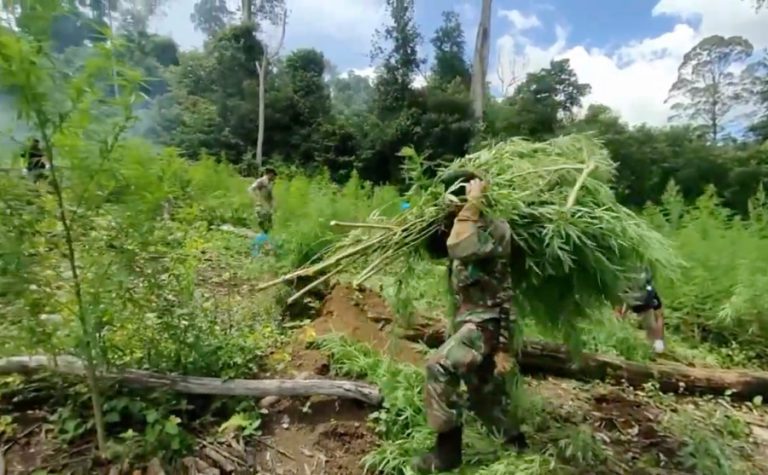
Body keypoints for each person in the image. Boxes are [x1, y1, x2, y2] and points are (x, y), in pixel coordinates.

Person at [413, 170, 526, 474]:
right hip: (471, 320)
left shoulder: (494, 227)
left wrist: (504, 346)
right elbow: (439, 247)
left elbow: (460, 247)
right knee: (482, 391)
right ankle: (515, 442)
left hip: (487, 323)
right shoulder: (462, 224)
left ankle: (447, 455)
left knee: (438, 365)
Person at [617, 267, 665, 353]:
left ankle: (651, 347)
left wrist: (658, 340)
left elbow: (659, 315)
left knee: (651, 325)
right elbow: (619, 309)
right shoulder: (627, 289)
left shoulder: (650, 292)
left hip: (645, 310)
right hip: (632, 309)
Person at [248, 167, 277, 233]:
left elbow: (270, 195)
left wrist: (273, 204)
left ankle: (265, 239)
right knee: (263, 224)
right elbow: (251, 189)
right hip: (261, 206)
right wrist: (257, 199)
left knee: (269, 225)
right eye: (274, 176)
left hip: (267, 207)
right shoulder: (261, 181)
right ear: (270, 174)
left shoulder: (270, 183)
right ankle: (261, 239)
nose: (274, 178)